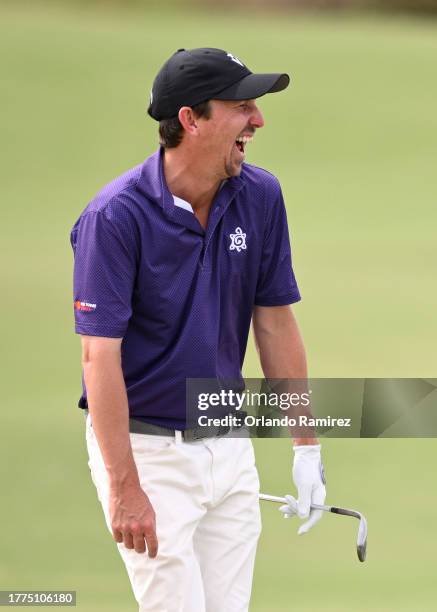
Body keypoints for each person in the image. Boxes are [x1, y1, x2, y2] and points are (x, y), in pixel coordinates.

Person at [71, 47, 326, 612]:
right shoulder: (114, 218)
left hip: (228, 445)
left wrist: (306, 448)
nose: (257, 121)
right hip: (148, 453)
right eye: (241, 107)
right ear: (191, 120)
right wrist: (125, 487)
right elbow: (99, 358)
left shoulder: (260, 196)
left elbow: (276, 324)